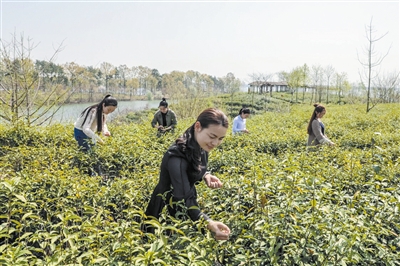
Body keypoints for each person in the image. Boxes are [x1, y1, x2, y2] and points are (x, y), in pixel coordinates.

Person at [144, 108, 231, 240]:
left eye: (220, 139)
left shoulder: (200, 144)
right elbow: (183, 199)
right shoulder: (176, 158)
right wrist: (209, 223)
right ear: (198, 126)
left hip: (187, 204)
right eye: (212, 136)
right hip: (167, 209)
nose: (215, 143)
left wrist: (205, 175)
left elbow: (194, 165)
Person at [73, 95, 118, 175]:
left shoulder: (103, 112)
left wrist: (106, 131)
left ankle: (95, 173)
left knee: (94, 152)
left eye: (111, 111)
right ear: (104, 104)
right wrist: (98, 139)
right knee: (88, 153)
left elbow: (103, 123)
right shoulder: (93, 111)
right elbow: (85, 129)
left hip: (89, 133)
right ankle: (88, 174)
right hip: (80, 132)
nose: (109, 112)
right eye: (108, 109)